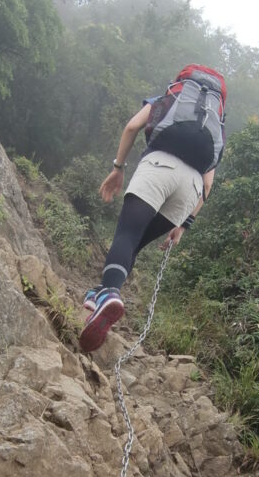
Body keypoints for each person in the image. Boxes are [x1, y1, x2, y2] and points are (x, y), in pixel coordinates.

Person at [79, 66, 226, 353]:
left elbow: (132, 127)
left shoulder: (168, 98)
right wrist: (184, 224)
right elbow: (209, 184)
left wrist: (118, 169)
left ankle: (108, 293)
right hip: (191, 187)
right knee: (135, 244)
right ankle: (102, 294)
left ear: (182, 81)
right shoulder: (216, 125)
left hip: (160, 166)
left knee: (127, 235)